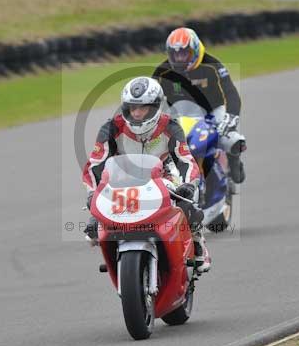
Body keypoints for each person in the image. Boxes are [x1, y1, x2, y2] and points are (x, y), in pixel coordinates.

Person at [82, 76, 211, 271]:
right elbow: (95, 165)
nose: (137, 113)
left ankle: (197, 241)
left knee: (186, 204)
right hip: (123, 178)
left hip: (163, 175)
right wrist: (93, 193)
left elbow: (186, 160)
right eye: (132, 108)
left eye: (143, 108)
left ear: (156, 107)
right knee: (93, 226)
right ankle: (116, 255)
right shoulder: (111, 128)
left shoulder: (170, 126)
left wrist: (188, 185)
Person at [153, 27, 247, 184]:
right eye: (175, 54)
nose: (179, 58)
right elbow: (151, 98)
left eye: (184, 53)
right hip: (178, 114)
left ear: (195, 50)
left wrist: (231, 117)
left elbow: (231, 92)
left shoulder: (213, 65)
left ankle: (234, 161)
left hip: (212, 111)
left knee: (232, 139)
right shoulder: (162, 71)